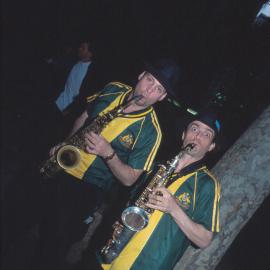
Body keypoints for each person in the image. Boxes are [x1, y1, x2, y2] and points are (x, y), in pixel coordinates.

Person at [36, 59, 181, 270]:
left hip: (86, 189)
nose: (149, 90)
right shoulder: (113, 89)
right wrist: (64, 145)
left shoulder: (151, 131)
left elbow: (130, 178)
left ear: (162, 97)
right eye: (150, 80)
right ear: (141, 75)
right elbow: (84, 116)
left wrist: (108, 153)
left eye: (158, 89)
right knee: (31, 220)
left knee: (53, 247)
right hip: (61, 165)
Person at [99, 111, 221, 270]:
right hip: (112, 255)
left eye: (206, 134)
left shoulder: (208, 184)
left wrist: (173, 208)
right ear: (184, 134)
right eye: (195, 129)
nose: (197, 136)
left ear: (211, 146)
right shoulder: (157, 167)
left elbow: (204, 240)